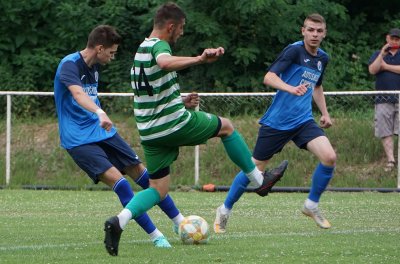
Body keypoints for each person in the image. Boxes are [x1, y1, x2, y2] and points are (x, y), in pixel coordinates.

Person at [103, 2, 287, 255]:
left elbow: (147, 95)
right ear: (171, 26)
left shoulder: (140, 52)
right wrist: (200, 59)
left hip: (150, 132)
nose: (182, 33)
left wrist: (180, 101)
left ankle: (119, 221)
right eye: (181, 29)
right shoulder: (159, 46)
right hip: (171, 124)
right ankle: (259, 180)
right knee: (227, 127)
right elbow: (165, 62)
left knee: (158, 189)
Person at [53, 25, 186, 249]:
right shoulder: (69, 65)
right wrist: (99, 112)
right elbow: (77, 94)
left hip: (102, 131)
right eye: (112, 52)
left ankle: (180, 222)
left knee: (144, 175)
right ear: (99, 48)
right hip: (78, 139)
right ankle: (156, 236)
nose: (113, 57)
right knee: (121, 183)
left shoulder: (94, 66)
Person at [214, 13, 336, 233]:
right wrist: (291, 88)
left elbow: (317, 86)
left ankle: (311, 205)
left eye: (319, 31)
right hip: (278, 122)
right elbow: (269, 77)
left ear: (324, 33)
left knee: (329, 157)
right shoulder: (294, 51)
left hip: (303, 120)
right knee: (254, 169)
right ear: (303, 31)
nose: (315, 34)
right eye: (310, 30)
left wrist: (325, 113)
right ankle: (224, 209)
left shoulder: (322, 58)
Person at [368, 28, 400, 172]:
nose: (394, 41)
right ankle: (391, 161)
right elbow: (373, 70)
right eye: (392, 38)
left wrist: (385, 67)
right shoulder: (377, 54)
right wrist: (382, 54)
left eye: (397, 39)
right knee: (385, 131)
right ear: (387, 38)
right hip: (383, 98)